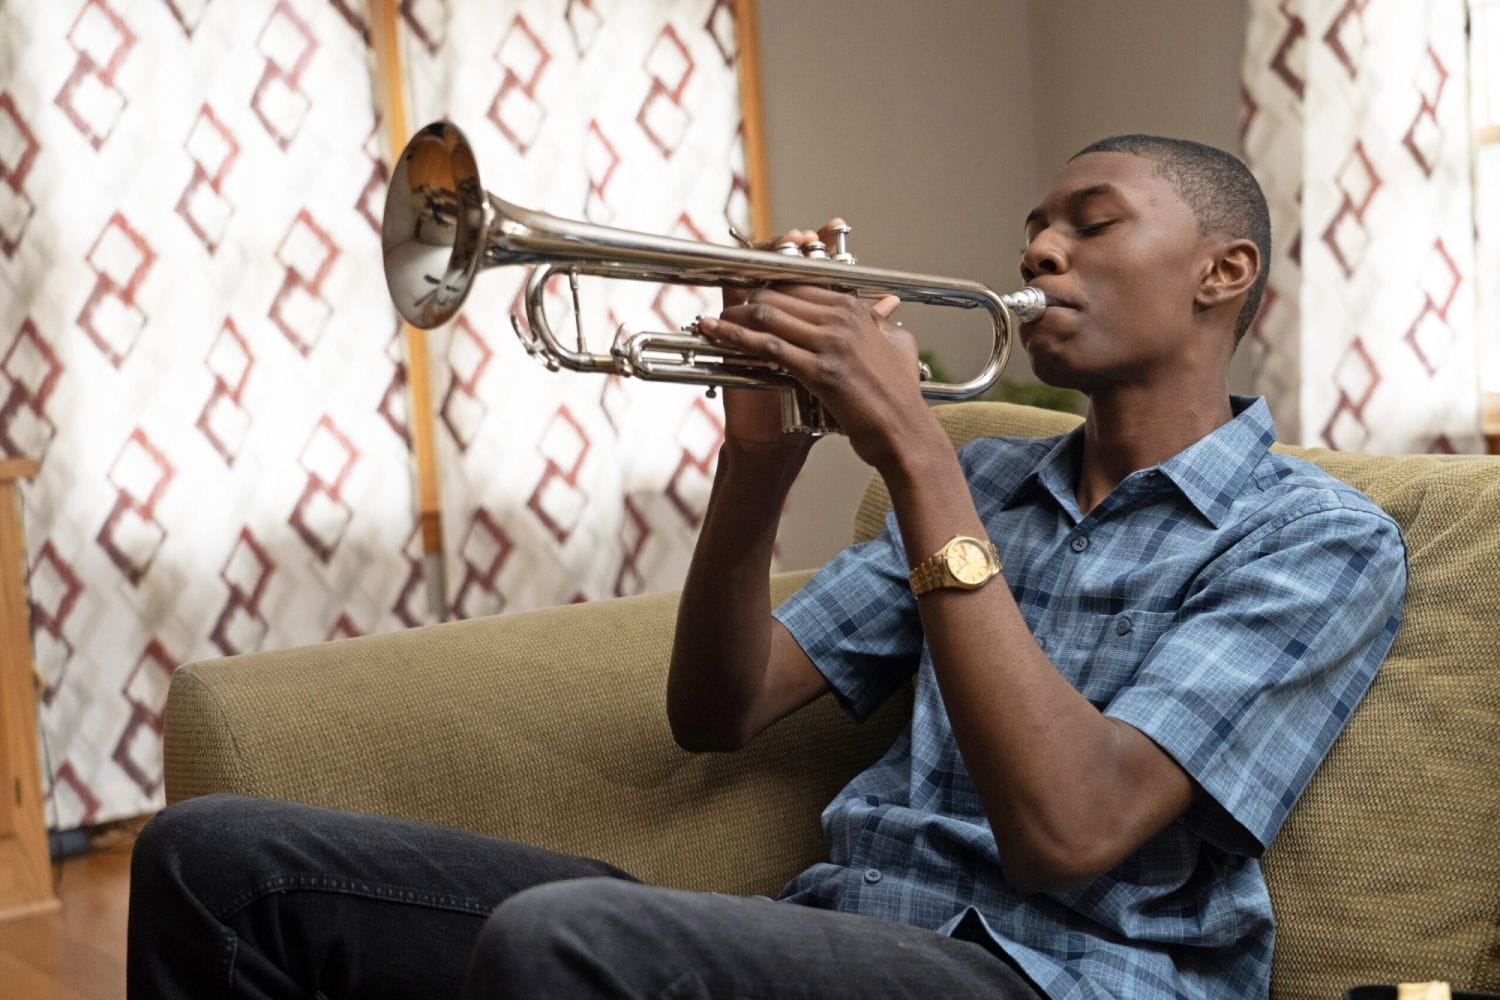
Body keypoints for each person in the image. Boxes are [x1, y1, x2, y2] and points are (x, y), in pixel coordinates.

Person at [126, 135, 1406, 1000]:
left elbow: (1072, 830)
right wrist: (760, 456)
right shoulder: (998, 485)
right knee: (218, 858)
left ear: (1223, 272)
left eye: (1091, 223)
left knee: (564, 941)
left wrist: (916, 450)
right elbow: (719, 706)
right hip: (837, 924)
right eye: (1033, 231)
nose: (1038, 254)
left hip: (1058, 972)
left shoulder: (1316, 538)